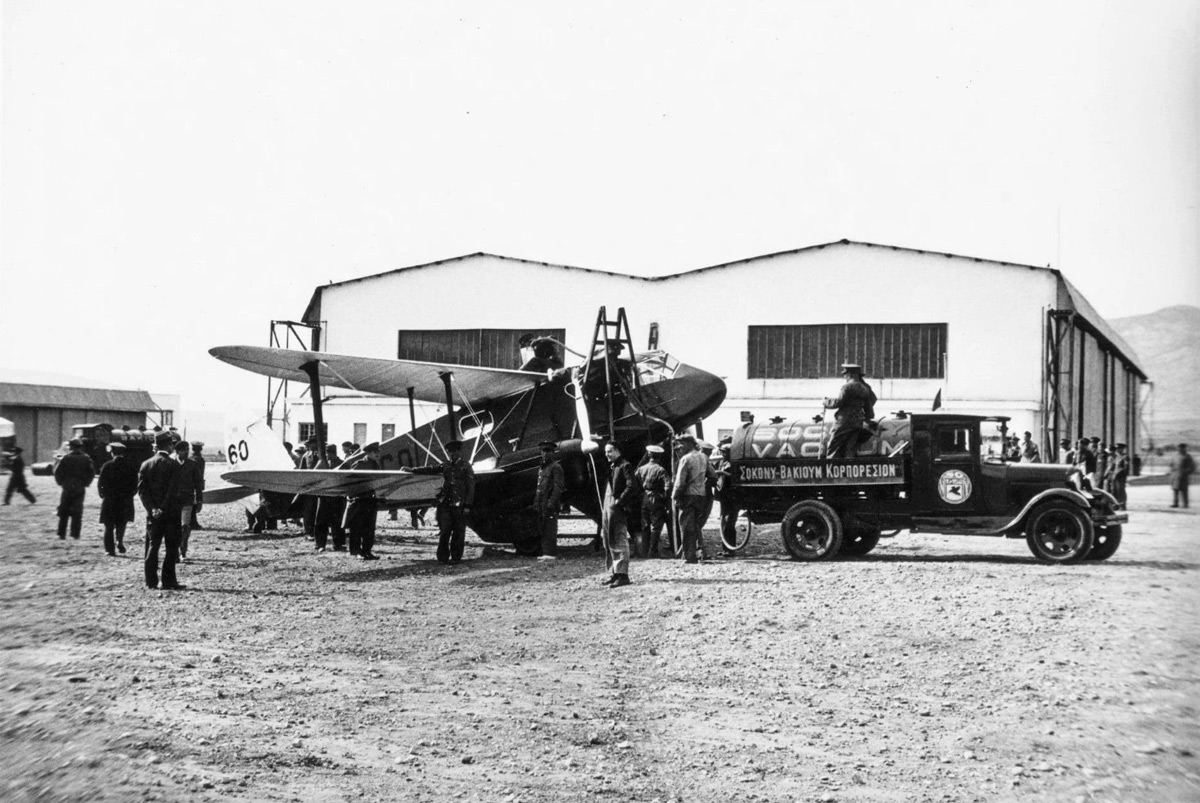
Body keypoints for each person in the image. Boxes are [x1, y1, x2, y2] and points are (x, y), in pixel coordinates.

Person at [138, 430, 184, 590]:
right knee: (171, 547)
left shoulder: (146, 464)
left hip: (152, 515)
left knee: (152, 546)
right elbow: (173, 491)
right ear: (169, 445)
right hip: (170, 514)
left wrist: (152, 509)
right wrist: (163, 508)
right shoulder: (173, 465)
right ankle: (168, 581)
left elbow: (142, 491)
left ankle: (150, 581)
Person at [600, 441, 636, 587]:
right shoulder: (612, 467)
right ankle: (615, 573)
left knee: (619, 539)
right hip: (608, 506)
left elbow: (631, 486)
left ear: (617, 451)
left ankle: (623, 576)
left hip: (617, 508)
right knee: (609, 539)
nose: (607, 455)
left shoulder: (625, 466)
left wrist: (619, 502)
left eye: (609, 451)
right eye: (605, 452)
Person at [823, 363, 877, 459]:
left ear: (850, 374)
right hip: (857, 422)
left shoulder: (846, 387)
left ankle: (830, 470)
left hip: (843, 422)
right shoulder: (864, 388)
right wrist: (867, 417)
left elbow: (838, 402)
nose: (845, 377)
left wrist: (826, 402)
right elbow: (870, 404)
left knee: (833, 447)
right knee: (850, 448)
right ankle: (848, 470)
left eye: (845, 374)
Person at [435, 440, 475, 565]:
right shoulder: (445, 465)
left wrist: (468, 505)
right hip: (446, 504)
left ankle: (456, 557)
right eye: (449, 452)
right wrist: (413, 470)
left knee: (459, 531)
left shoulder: (466, 466)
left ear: (459, 452)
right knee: (445, 531)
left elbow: (471, 487)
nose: (452, 454)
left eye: (454, 452)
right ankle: (442, 557)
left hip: (460, 505)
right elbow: (431, 469)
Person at [673, 433, 710, 563]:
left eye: (681, 444)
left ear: (688, 443)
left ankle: (689, 556)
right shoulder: (704, 456)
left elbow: (680, 481)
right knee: (696, 525)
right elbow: (713, 475)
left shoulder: (686, 459)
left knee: (686, 526)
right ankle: (701, 553)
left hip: (688, 496)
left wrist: (675, 496)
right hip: (701, 495)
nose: (680, 447)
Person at [97, 442, 138, 556]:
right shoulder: (131, 466)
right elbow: (135, 484)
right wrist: (130, 495)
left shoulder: (107, 465)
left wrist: (102, 494)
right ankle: (119, 541)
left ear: (112, 453)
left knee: (108, 525)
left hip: (110, 500)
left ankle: (109, 550)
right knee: (122, 523)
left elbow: (101, 483)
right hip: (125, 500)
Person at [343, 442, 381, 560]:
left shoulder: (375, 464)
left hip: (370, 500)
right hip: (360, 500)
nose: (377, 454)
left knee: (369, 528)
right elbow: (350, 481)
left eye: (377, 452)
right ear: (368, 453)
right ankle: (357, 551)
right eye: (375, 452)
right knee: (357, 528)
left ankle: (367, 551)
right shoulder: (360, 464)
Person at [54, 439, 95, 540]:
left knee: (64, 510)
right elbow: (91, 473)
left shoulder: (66, 458)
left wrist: (61, 483)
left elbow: (58, 472)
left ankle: (61, 533)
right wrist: (86, 483)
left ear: (71, 447)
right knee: (77, 511)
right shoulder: (86, 458)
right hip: (80, 487)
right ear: (80, 447)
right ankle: (75, 534)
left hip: (67, 487)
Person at [635, 445, 671, 558]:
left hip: (645, 498)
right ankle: (653, 551)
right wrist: (665, 498)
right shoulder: (660, 470)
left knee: (645, 525)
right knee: (656, 526)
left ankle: (644, 551)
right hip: (656, 499)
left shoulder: (641, 469)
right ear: (659, 456)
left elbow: (635, 483)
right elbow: (668, 486)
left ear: (649, 455)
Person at [532, 440, 565, 559]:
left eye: (548, 451)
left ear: (553, 452)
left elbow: (558, 487)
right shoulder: (542, 468)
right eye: (543, 451)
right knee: (543, 527)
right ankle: (546, 552)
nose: (545, 454)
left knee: (550, 528)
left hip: (549, 503)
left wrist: (551, 503)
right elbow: (539, 487)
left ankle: (550, 553)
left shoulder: (556, 467)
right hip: (542, 502)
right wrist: (536, 502)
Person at [172, 440, 203, 560]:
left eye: (187, 450)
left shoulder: (192, 464)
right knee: (174, 527)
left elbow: (198, 484)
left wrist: (199, 500)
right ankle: (174, 550)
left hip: (187, 500)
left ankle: (183, 550)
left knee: (185, 526)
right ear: (177, 451)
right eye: (183, 451)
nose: (186, 452)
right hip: (173, 501)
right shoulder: (170, 464)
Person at [314, 443, 346, 552]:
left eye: (328, 453)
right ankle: (320, 544)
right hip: (324, 497)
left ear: (333, 453)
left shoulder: (343, 464)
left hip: (337, 497)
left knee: (337, 522)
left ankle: (338, 544)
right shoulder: (322, 464)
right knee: (321, 521)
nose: (326, 456)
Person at [714, 438, 740, 555]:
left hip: (733, 497)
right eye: (722, 452)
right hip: (724, 497)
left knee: (730, 523)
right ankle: (725, 549)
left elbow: (734, 476)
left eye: (725, 453)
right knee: (723, 523)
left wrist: (721, 473)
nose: (723, 454)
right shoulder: (722, 462)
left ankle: (731, 549)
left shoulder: (734, 463)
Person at [1169, 443, 1195, 509]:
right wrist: (1171, 470)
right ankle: (1175, 503)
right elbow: (1171, 464)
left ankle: (1185, 504)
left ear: (1185, 448)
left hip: (1183, 475)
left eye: (1182, 448)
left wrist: (1187, 472)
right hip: (1175, 475)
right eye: (1179, 448)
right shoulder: (1175, 456)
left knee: (1184, 490)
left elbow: (1192, 466)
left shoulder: (1187, 456)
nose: (1180, 449)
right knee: (1175, 489)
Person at [189, 442, 206, 530]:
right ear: (200, 449)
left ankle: (191, 521)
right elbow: (201, 473)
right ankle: (193, 522)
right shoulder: (200, 459)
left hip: (189, 483)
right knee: (195, 502)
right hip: (197, 483)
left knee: (191, 502)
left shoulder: (189, 458)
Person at [1109, 443, 1130, 509]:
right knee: (1114, 490)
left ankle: (1122, 504)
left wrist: (1118, 473)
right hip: (1114, 476)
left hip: (1121, 476)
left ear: (1122, 449)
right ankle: (1116, 504)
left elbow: (1126, 468)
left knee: (1120, 490)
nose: (1117, 450)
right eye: (1116, 449)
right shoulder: (1116, 457)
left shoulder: (1125, 457)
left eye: (1119, 449)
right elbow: (1114, 466)